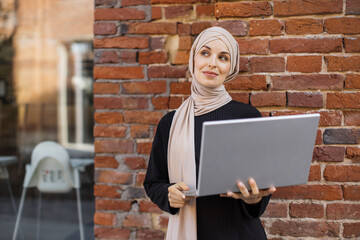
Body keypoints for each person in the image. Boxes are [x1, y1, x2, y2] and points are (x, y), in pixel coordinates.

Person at [143, 27, 276, 240]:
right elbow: (153, 183)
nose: (212, 63)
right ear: (193, 58)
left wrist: (254, 199)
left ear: (230, 68)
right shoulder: (170, 123)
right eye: (205, 53)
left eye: (223, 57)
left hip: (240, 233)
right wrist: (169, 194)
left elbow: (258, 189)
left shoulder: (247, 116)